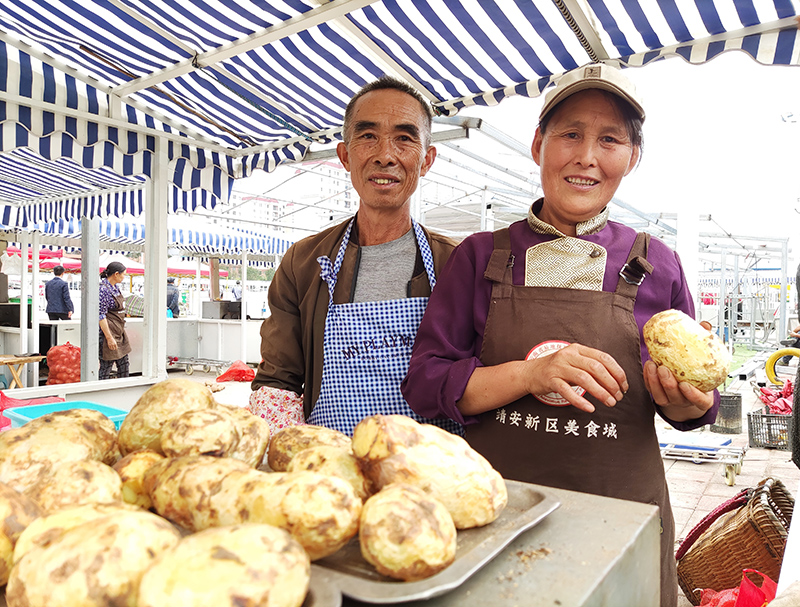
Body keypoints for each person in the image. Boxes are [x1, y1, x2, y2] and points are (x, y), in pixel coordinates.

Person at [402, 64, 720, 607]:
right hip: (500, 516)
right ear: (538, 145)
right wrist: (529, 374)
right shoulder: (480, 256)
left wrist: (688, 403)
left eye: (610, 140)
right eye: (570, 133)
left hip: (620, 518)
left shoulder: (657, 263)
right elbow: (426, 381)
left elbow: (695, 410)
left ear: (632, 157)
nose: (587, 157)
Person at [249, 75, 460, 437]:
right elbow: (277, 383)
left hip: (429, 474)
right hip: (331, 473)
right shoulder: (303, 262)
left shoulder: (456, 264)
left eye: (405, 139)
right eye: (367, 136)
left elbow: (476, 379)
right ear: (345, 155)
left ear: (426, 160)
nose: (385, 155)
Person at [98, 261, 131, 380]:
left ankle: (123, 390)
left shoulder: (115, 288)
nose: (124, 277)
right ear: (116, 274)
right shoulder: (103, 290)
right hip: (108, 332)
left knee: (124, 365)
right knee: (106, 366)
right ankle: (101, 392)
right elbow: (101, 316)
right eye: (123, 274)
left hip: (118, 331)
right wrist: (109, 337)